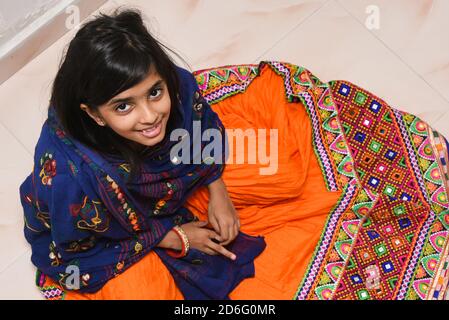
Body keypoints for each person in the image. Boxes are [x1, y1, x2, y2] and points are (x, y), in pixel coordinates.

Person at [21, 7, 449, 301]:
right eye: (123, 106)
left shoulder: (177, 88)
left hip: (169, 187)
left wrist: (217, 187)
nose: (151, 116)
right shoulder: (70, 177)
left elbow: (201, 132)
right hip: (114, 236)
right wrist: (173, 236)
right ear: (92, 114)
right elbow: (74, 251)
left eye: (154, 92)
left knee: (283, 170)